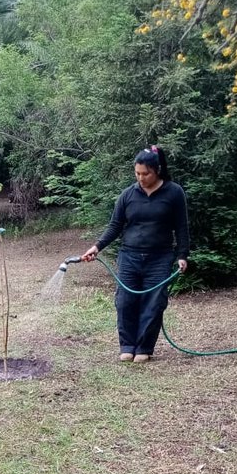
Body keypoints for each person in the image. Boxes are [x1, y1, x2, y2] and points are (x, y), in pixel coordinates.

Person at [81, 146, 189, 363]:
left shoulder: (174, 192)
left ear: (157, 170)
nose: (141, 178)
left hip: (159, 258)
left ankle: (144, 348)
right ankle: (128, 345)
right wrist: (97, 246)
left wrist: (182, 255)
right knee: (124, 302)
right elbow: (115, 225)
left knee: (154, 303)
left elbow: (182, 227)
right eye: (137, 173)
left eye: (145, 174)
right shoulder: (128, 195)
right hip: (129, 256)